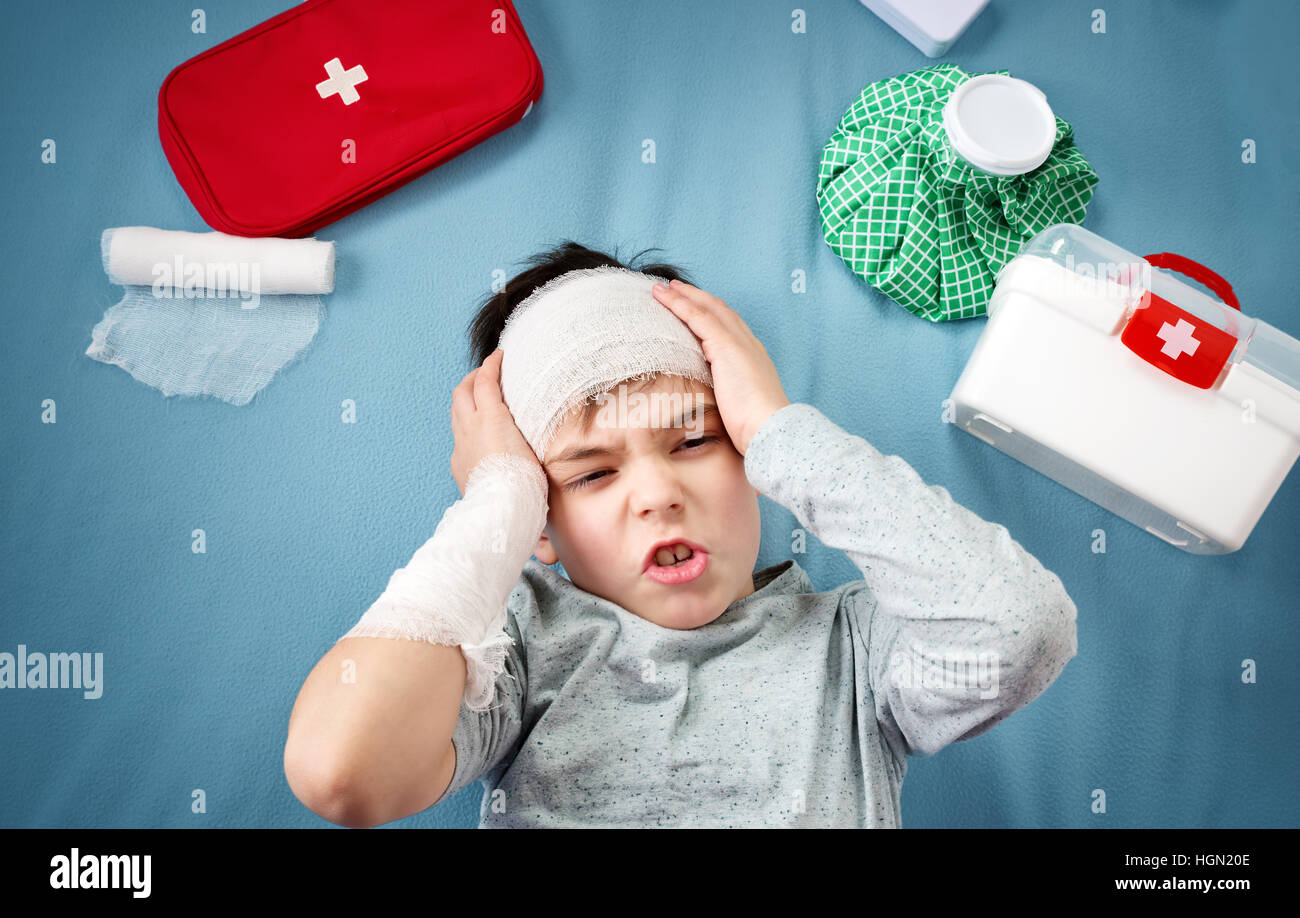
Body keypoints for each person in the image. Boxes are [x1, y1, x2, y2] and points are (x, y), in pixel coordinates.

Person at [283, 241, 1078, 828]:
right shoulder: (516, 649)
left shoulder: (856, 649)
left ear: (752, 456)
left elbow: (1020, 627)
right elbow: (340, 771)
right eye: (592, 475)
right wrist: (494, 507)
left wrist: (781, 430)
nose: (658, 495)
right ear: (541, 525)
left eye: (695, 441)